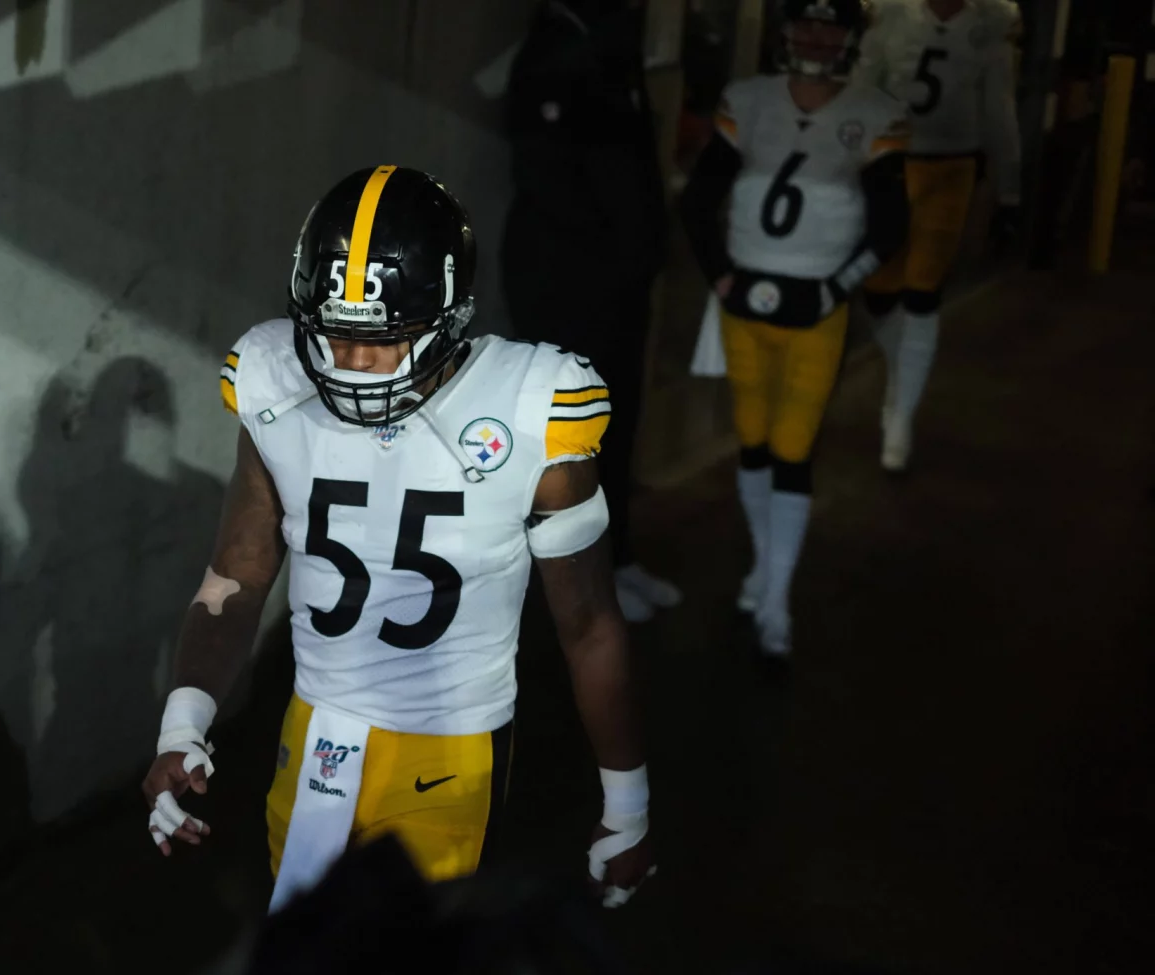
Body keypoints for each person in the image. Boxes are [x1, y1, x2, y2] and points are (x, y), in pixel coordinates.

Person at [142, 166, 655, 913]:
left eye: (382, 341)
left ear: (449, 318)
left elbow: (587, 624)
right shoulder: (274, 378)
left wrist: (627, 803)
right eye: (336, 336)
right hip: (312, 732)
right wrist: (182, 723)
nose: (352, 363)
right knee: (302, 973)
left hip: (450, 750)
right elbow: (238, 574)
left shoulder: (531, 404)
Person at [678, 0, 911, 658]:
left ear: (850, 36)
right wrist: (722, 275)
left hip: (817, 303)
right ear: (783, 29)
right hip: (744, 297)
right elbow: (697, 200)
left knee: (793, 446)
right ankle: (765, 570)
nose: (814, 35)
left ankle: (775, 598)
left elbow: (893, 224)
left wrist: (838, 284)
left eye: (829, 24)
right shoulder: (747, 99)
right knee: (752, 440)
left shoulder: (874, 110)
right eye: (805, 21)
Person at [501, 0, 684, 623]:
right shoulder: (553, 50)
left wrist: (645, 250)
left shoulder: (610, 41)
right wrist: (616, 253)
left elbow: (630, 165)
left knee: (618, 419)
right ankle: (575, 581)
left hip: (615, 280)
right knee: (573, 434)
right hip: (568, 281)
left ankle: (617, 557)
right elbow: (545, 176)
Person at [855, 0, 1023, 471]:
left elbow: (998, 111)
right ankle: (899, 376)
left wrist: (1009, 191)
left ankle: (902, 416)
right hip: (890, 163)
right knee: (879, 291)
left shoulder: (988, 27)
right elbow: (862, 88)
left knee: (924, 292)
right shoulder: (893, 15)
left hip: (951, 169)